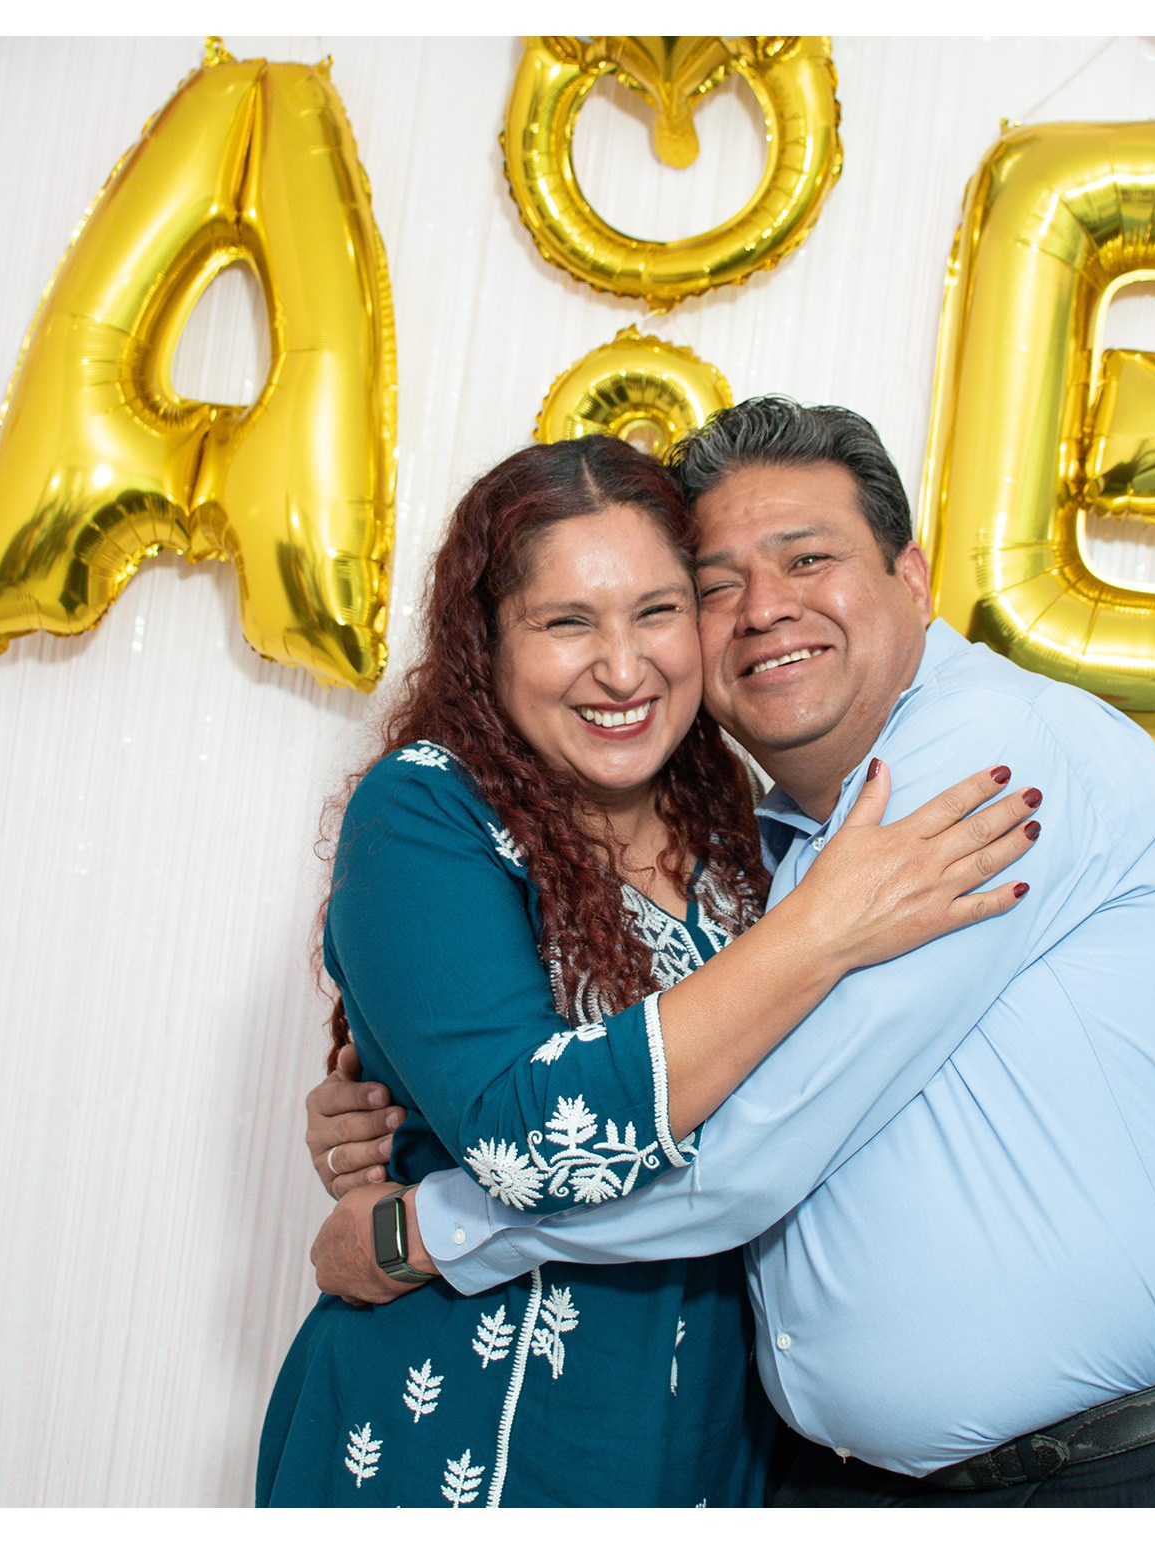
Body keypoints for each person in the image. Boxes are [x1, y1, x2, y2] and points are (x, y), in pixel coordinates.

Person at [309, 397, 1155, 1507]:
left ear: (914, 578)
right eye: (718, 585)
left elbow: (752, 1146)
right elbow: (528, 1069)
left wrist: (426, 1226)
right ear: (488, 642)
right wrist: (396, 1104)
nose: (764, 609)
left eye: (808, 559)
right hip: (763, 1473)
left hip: (1130, 1470)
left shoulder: (978, 772)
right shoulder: (774, 845)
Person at [256, 433, 1039, 1507]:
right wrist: (823, 928)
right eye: (566, 622)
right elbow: (531, 1142)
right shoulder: (426, 810)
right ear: (487, 641)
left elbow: (799, 1113)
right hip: (470, 1435)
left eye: (658, 611)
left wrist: (412, 1227)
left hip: (704, 1443)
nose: (623, 669)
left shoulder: (741, 825)